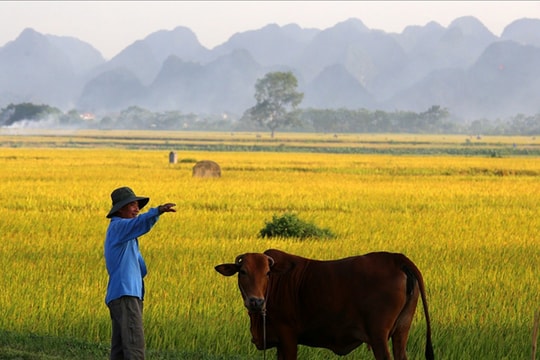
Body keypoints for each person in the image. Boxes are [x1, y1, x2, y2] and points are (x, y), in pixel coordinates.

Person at [104, 186, 176, 360]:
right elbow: (139, 224)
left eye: (137, 205)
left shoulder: (126, 236)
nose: (137, 209)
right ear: (120, 209)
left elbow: (141, 269)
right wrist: (157, 211)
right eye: (132, 205)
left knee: (120, 350)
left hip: (123, 295)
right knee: (134, 347)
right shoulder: (119, 227)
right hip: (126, 295)